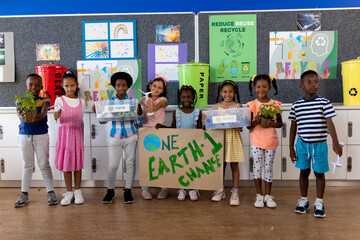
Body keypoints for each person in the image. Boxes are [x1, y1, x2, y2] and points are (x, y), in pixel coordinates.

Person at [289, 70, 342, 218]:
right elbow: (293, 127)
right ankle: (303, 200)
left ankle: (319, 202)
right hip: (302, 145)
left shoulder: (324, 103)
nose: (313, 85)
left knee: (319, 173)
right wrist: (291, 148)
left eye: (316, 82)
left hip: (319, 145)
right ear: (301, 86)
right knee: (304, 172)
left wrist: (335, 142)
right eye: (309, 82)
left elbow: (330, 123)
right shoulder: (296, 105)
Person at [92, 72, 143, 204]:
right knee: (113, 165)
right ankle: (110, 190)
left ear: (128, 86)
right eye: (118, 85)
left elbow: (140, 122)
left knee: (130, 163)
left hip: (131, 136)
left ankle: (128, 190)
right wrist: (96, 112)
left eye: (124, 85)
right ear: (114, 86)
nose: (121, 87)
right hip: (115, 137)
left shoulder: (133, 102)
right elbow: (103, 121)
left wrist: (140, 113)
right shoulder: (109, 102)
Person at [14, 74, 57, 207]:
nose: (34, 87)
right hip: (24, 135)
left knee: (44, 164)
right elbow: (19, 113)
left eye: (37, 85)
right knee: (27, 165)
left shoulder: (45, 100)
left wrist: (39, 116)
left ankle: (50, 192)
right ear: (26, 86)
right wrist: (23, 115)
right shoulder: (20, 100)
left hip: (41, 135)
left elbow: (43, 112)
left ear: (41, 87)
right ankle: (24, 194)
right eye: (30, 85)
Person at [156, 85, 202, 201]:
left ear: (193, 98)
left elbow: (200, 130)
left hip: (193, 146)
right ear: (179, 98)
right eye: (183, 97)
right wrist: (162, 127)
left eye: (189, 97)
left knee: (192, 167)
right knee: (181, 167)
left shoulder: (197, 112)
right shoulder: (176, 113)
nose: (186, 100)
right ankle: (182, 188)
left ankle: (192, 188)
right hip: (180, 146)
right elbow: (173, 129)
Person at [204, 80, 244, 206]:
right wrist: (207, 119)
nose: (228, 94)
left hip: (233, 138)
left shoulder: (238, 106)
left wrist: (238, 125)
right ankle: (220, 190)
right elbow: (211, 124)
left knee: (234, 165)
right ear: (221, 93)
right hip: (220, 138)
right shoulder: (216, 107)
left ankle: (235, 192)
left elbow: (241, 126)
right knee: (220, 165)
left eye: (230, 91)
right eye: (225, 91)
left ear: (235, 92)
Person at [247, 74, 282, 208]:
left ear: (269, 87)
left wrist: (274, 124)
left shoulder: (275, 104)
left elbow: (280, 123)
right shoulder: (252, 105)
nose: (261, 89)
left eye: (264, 86)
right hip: (256, 141)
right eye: (258, 86)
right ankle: (259, 195)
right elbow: (248, 126)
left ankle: (268, 195)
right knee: (257, 167)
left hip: (270, 142)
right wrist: (254, 122)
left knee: (268, 168)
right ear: (254, 88)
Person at [54, 70, 86, 206]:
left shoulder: (82, 102)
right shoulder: (59, 100)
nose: (69, 88)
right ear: (62, 86)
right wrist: (57, 114)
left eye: (72, 85)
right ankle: (69, 192)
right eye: (66, 86)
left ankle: (78, 190)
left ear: (77, 85)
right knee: (67, 165)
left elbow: (81, 118)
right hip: (65, 137)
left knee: (77, 165)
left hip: (77, 136)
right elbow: (56, 120)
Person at [140, 76, 168, 200]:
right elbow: (141, 102)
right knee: (146, 161)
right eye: (154, 86)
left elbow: (158, 106)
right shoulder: (144, 99)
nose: (156, 89)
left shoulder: (163, 100)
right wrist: (145, 102)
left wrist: (152, 107)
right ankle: (145, 189)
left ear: (162, 91)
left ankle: (164, 188)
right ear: (150, 87)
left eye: (159, 88)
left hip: (160, 132)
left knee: (163, 161)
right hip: (147, 133)